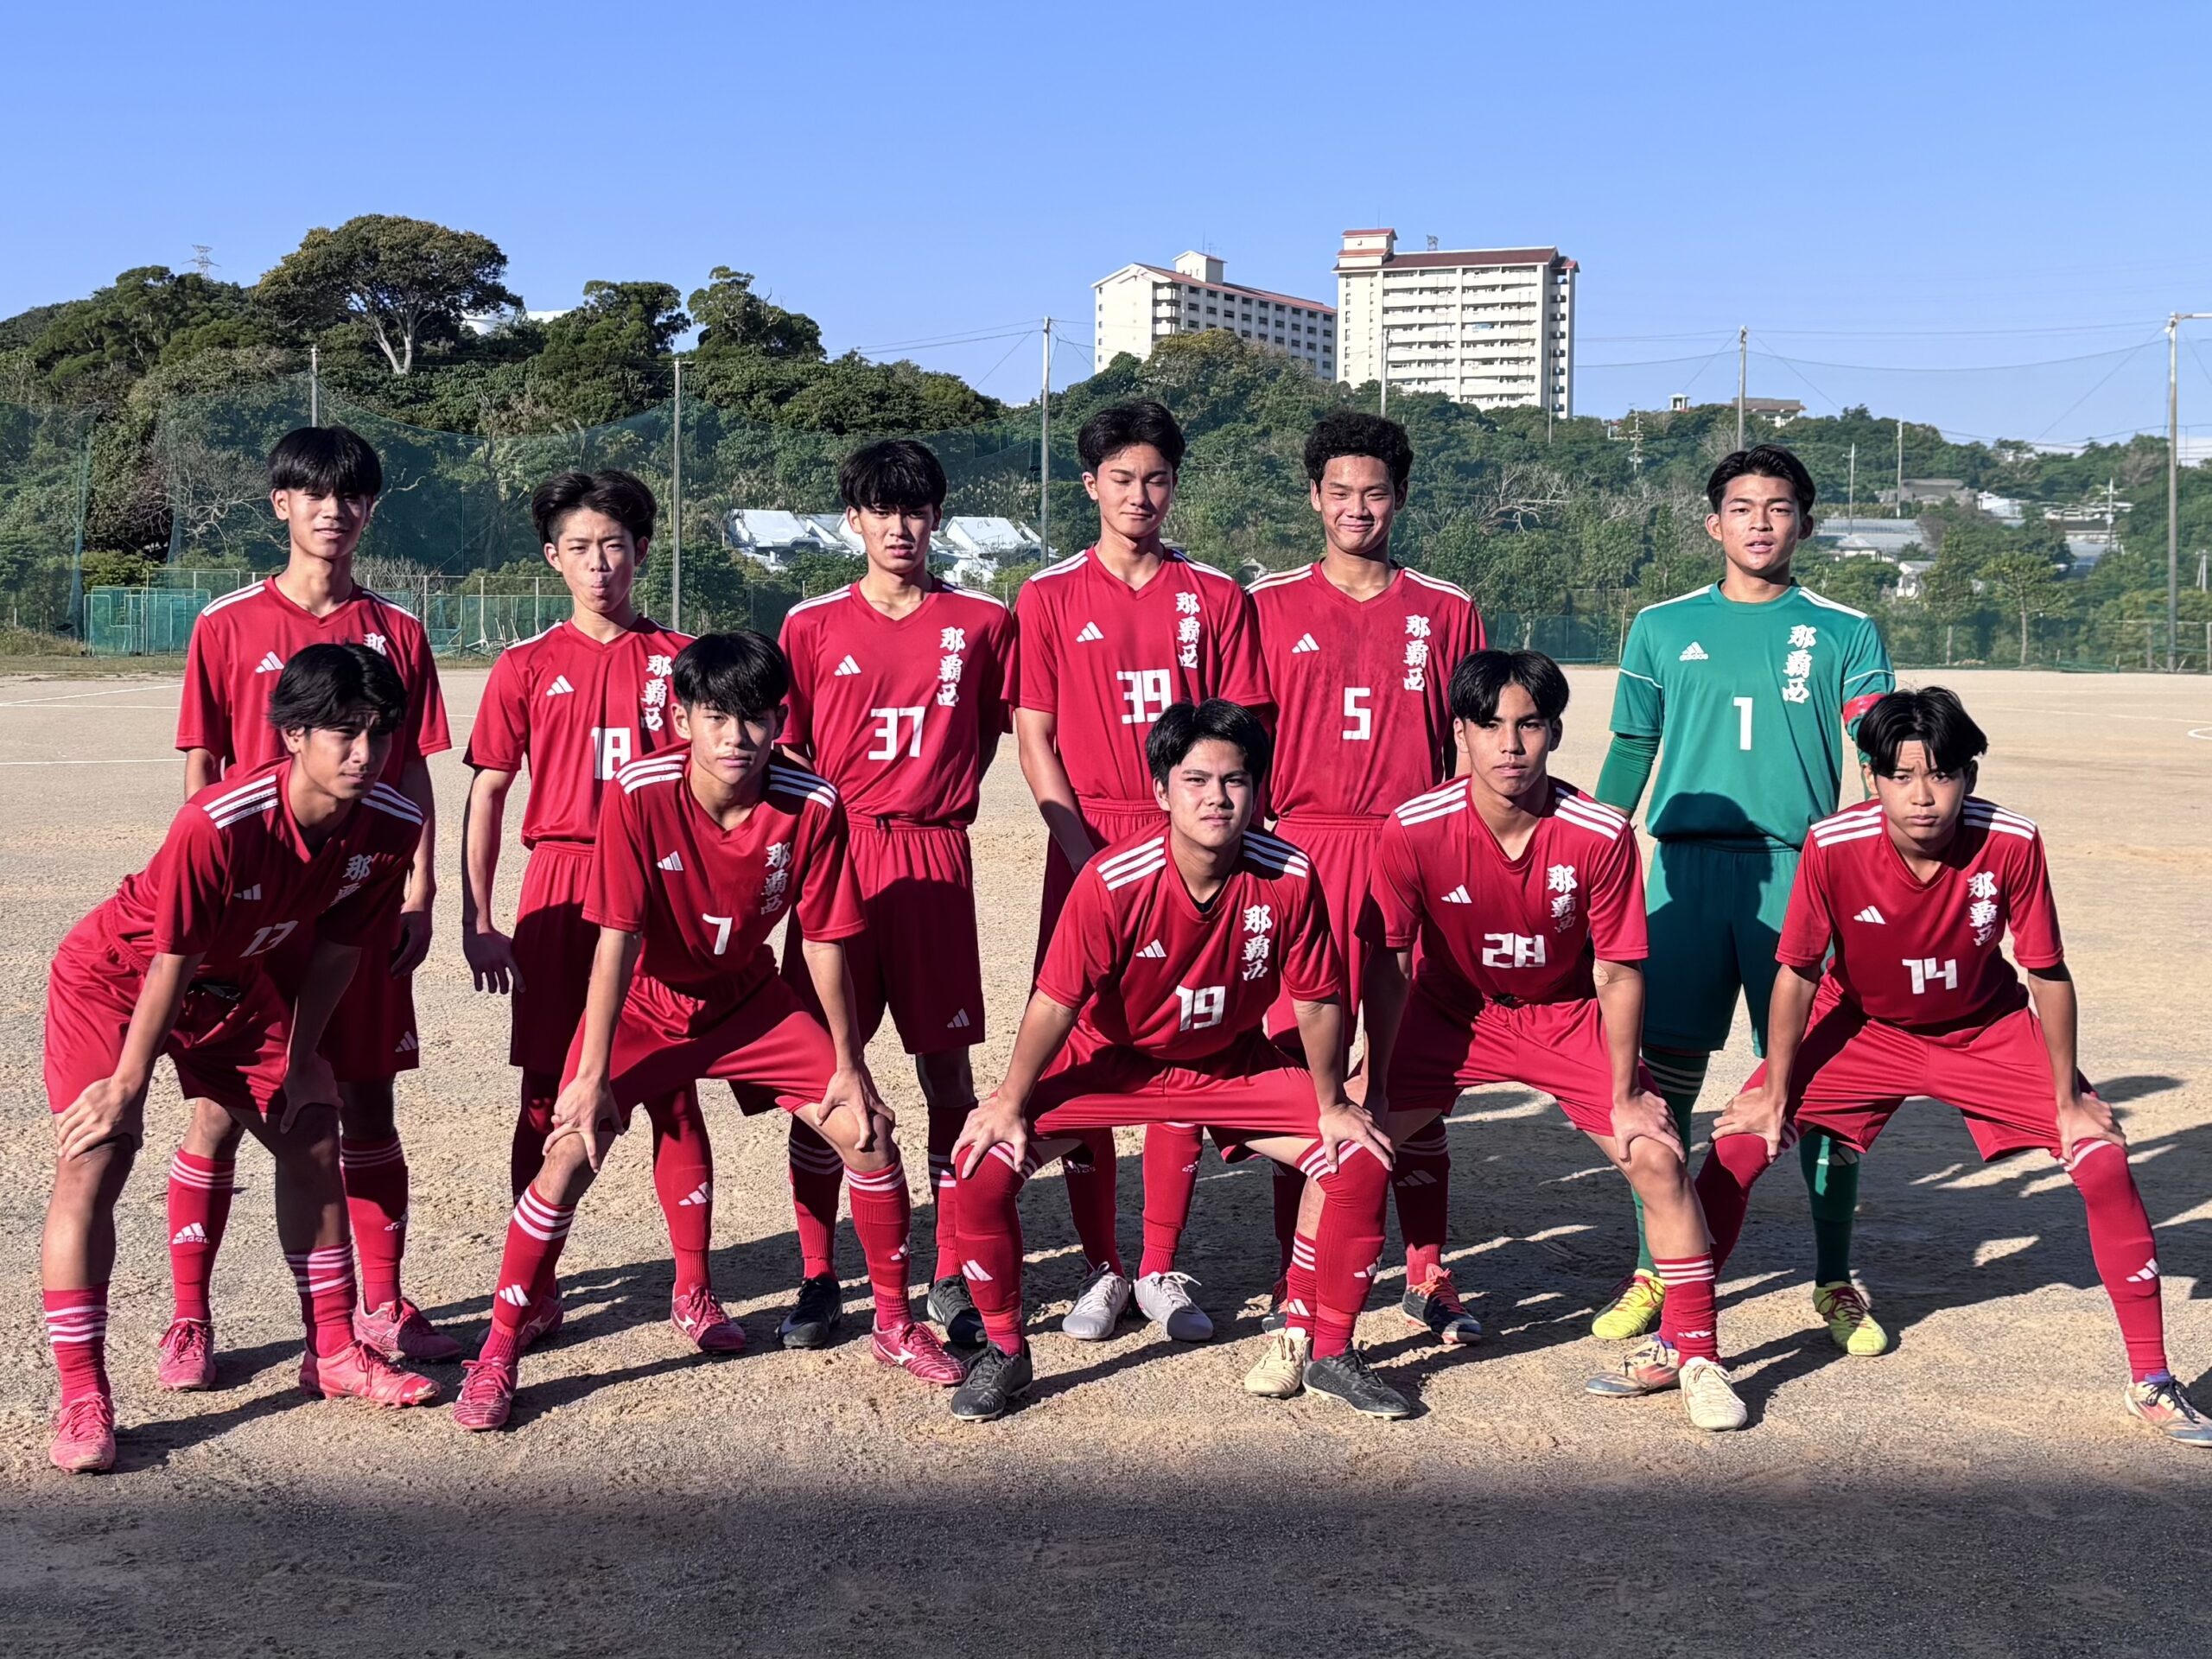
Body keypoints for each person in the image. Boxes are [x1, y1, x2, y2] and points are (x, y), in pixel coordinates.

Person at [451, 632, 964, 1432]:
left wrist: (848, 1063)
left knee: (865, 1132)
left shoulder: (812, 803)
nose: (736, 737)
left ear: (780, 721)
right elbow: (617, 939)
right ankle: (497, 1352)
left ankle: (895, 1325)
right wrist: (590, 1074)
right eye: (716, 717)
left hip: (748, 999)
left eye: (754, 718)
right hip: (647, 1003)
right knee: (570, 1150)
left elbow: (824, 941)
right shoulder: (638, 791)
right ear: (682, 717)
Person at [1694, 687, 2210, 1446]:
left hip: (1984, 1029)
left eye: (1941, 774)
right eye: (1901, 775)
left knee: (2102, 1159)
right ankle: (1685, 1346)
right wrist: (1774, 1091)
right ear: (1872, 777)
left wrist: (2068, 1099)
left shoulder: (2011, 840)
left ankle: (2153, 1381)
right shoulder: (1833, 844)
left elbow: (2047, 972)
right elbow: (1798, 972)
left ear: (1969, 774)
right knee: (1739, 1144)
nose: (1922, 796)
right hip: (1862, 1026)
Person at [42, 644, 441, 1472]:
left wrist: (301, 1053)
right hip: (118, 981)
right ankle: (82, 1394)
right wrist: (126, 1085)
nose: (365, 753)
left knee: (314, 1131)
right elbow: (169, 961)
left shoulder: (392, 823)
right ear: (293, 734)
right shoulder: (219, 821)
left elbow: (338, 951)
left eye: (378, 734)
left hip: (233, 987)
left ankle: (332, 1351)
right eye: (343, 733)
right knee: (97, 1155)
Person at [949, 699, 1400, 1422]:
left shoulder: (1288, 874)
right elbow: (1056, 1003)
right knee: (981, 1168)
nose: (1217, 797)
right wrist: (1008, 1100)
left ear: (1256, 789)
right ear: (1161, 791)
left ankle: (1331, 1351)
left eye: (1235, 780)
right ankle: (1004, 1351)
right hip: (1115, 1061)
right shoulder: (1113, 879)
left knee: (1361, 1161)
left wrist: (1332, 1103)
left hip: (1229, 1064)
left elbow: (1317, 1000)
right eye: (1196, 780)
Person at [1332, 650, 1746, 1431]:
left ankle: (1696, 1354)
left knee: (1657, 1155)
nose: (1510, 745)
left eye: (1528, 725)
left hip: (1562, 1014)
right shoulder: (1414, 827)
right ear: (1460, 732)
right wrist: (1374, 1080)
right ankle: (1315, 1338)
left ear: (1554, 731)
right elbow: (1390, 964)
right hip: (1452, 1012)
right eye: (1490, 726)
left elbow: (1617, 971)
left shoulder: (1599, 832)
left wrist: (1626, 1094)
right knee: (1353, 1141)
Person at [162, 425, 457, 1384]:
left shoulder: (396, 631)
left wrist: (421, 887)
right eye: (315, 494)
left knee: (366, 1098)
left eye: (353, 496)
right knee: (219, 1110)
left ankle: (382, 1306)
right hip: (251, 913)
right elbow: (203, 772)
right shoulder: (225, 624)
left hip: (359, 897)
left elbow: (412, 769)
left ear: (371, 508)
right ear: (281, 504)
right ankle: (190, 1317)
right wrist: (209, 906)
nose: (335, 511)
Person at [1590, 443, 1896, 1356]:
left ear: (1806, 522)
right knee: (1662, 1083)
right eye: (1742, 507)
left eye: (1778, 507)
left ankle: (1834, 1279)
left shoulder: (1844, 631)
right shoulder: (1660, 626)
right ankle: (1654, 1269)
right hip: (1682, 878)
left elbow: (1878, 755)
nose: (1760, 523)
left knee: (1817, 1084)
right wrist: (1587, 854)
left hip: (1799, 876)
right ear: (1712, 522)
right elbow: (1632, 749)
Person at [1013, 400, 1271, 1344]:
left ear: (1174, 485)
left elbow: (1242, 738)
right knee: (1087, 1044)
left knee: (1181, 1039)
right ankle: (1101, 1266)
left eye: (1156, 478)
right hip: (1091, 843)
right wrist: (1087, 860)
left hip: (1191, 842)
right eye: (1121, 478)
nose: (1139, 495)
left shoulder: (1216, 596)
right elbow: (1034, 738)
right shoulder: (1047, 595)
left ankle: (1160, 1264)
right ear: (1090, 485)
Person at [461, 469, 733, 1354]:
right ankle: (534, 1290)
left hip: (658, 889)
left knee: (671, 1092)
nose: (598, 564)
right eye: (579, 547)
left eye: (614, 545)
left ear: (642, 550)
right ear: (553, 558)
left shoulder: (682, 661)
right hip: (561, 885)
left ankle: (694, 1288)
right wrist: (477, 918)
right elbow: (489, 792)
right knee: (545, 1092)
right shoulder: (524, 666)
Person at [1243, 410, 1484, 1348]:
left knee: (1408, 1067)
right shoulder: (1264, 604)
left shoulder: (1447, 609)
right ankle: (1293, 1272)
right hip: (1301, 852)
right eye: (1339, 491)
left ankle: (1426, 1271)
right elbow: (1241, 750)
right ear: (1314, 497)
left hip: (1408, 850)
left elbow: (1469, 751)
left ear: (1400, 499)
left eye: (1374, 493)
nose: (1357, 508)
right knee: (1303, 1069)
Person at [772, 439, 1016, 1352]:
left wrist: (934, 802)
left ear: (937, 518)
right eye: (881, 510)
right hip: (838, 858)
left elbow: (995, 733)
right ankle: (817, 1274)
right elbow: (788, 752)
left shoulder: (983, 622)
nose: (900, 527)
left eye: (915, 510)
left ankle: (950, 1272)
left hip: (934, 857)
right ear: (853, 521)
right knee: (822, 1078)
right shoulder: (810, 625)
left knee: (946, 1073)